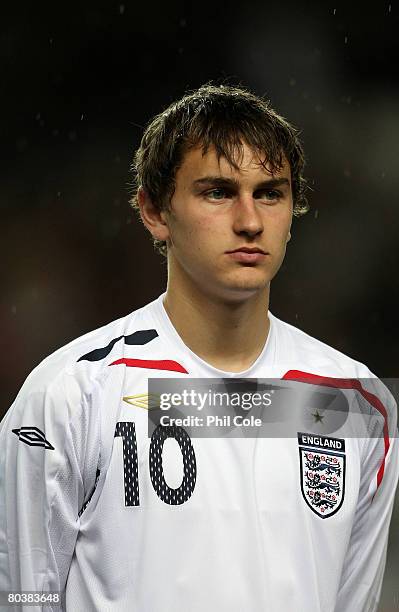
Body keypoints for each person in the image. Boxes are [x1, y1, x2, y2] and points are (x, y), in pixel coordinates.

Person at [0, 84, 397, 612]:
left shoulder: (356, 404)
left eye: (270, 193)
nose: (250, 221)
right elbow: (22, 595)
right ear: (154, 211)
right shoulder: (72, 395)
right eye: (217, 192)